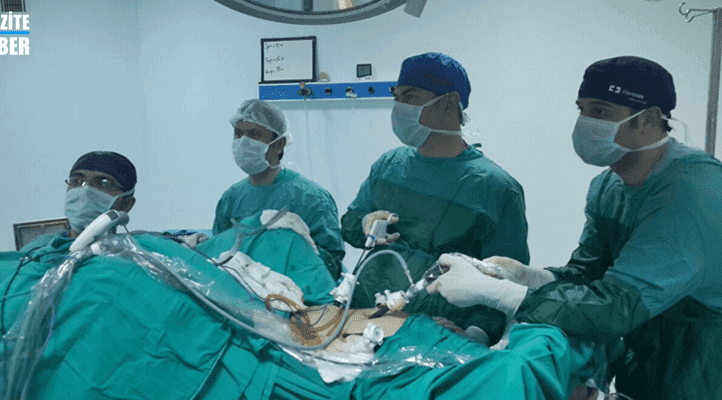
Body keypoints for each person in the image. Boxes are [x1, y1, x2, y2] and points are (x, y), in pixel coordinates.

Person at [0, 210, 602, 400]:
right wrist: (526, 300)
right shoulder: (276, 249)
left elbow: (526, 368)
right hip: (131, 292)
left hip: (127, 315)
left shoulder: (468, 370)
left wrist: (508, 299)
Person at [427, 56, 722, 399]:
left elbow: (616, 307)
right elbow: (589, 273)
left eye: (600, 111)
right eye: (582, 109)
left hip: (702, 361)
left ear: (649, 118)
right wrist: (528, 276)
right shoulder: (607, 186)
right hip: (648, 350)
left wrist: (498, 294)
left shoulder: (692, 193)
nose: (585, 122)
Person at [340, 52, 529, 346]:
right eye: (397, 97)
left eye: (411, 97)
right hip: (364, 320)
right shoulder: (389, 166)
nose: (399, 107)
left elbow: (502, 279)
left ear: (450, 103)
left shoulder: (496, 188)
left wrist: (474, 336)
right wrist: (364, 224)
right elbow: (350, 225)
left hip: (441, 337)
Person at [213, 99, 345, 279]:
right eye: (238, 133)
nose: (243, 141)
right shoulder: (232, 198)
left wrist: (299, 248)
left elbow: (331, 266)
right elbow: (219, 254)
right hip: (240, 291)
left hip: (296, 291)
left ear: (279, 144)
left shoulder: (311, 198)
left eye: (254, 134)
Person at [20, 151, 137, 250]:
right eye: (77, 181)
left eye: (103, 183)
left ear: (126, 205)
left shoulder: (134, 252)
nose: (85, 190)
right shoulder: (36, 250)